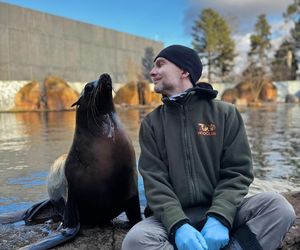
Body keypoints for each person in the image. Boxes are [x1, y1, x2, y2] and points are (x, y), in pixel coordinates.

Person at [122, 45, 296, 250]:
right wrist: (178, 225)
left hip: (224, 210)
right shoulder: (151, 123)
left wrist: (220, 217)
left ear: (184, 71)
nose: (152, 72)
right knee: (135, 241)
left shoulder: (226, 114)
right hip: (173, 218)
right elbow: (154, 182)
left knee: (280, 208)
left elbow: (237, 172)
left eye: (160, 64)